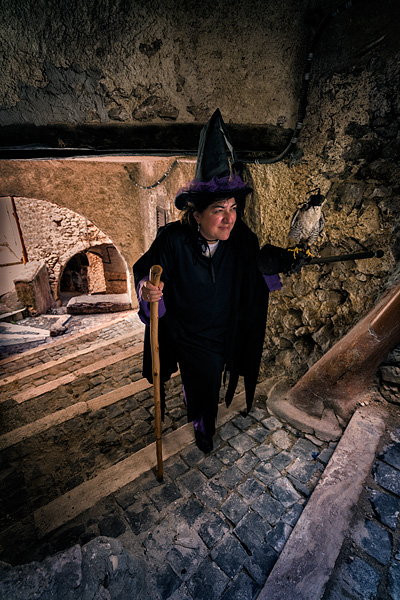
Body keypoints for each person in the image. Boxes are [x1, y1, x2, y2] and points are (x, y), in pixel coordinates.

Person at [132, 110, 300, 453]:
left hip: (224, 329)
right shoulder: (173, 240)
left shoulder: (240, 239)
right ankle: (202, 424)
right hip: (187, 331)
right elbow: (146, 272)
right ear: (196, 215)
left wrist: (279, 264)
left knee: (212, 375)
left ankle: (196, 400)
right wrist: (147, 291)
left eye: (234, 208)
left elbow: (258, 273)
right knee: (205, 381)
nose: (229, 218)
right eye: (219, 210)